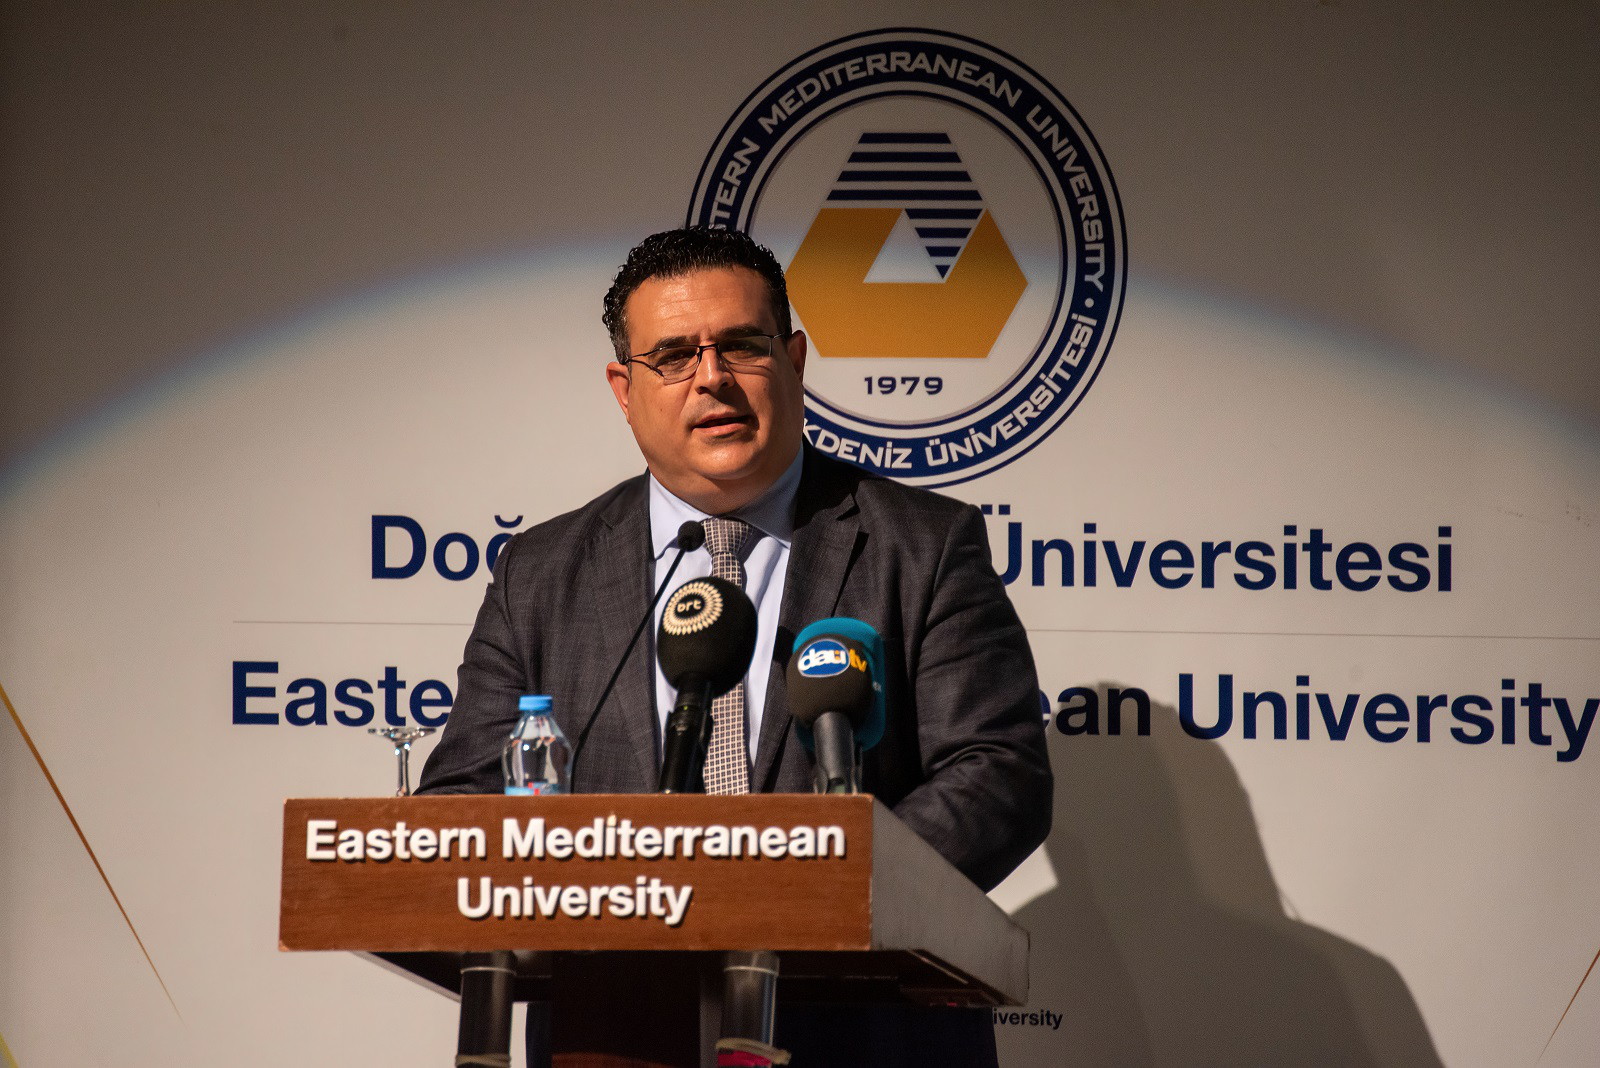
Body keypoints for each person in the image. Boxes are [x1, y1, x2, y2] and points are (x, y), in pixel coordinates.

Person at [416, 227, 1051, 1065]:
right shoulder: (541, 573)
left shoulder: (922, 545)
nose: (711, 377)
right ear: (624, 388)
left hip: (862, 1035)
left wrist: (821, 887)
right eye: (674, 356)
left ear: (794, 361)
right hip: (614, 1036)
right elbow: (462, 800)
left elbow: (998, 774)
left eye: (742, 346)